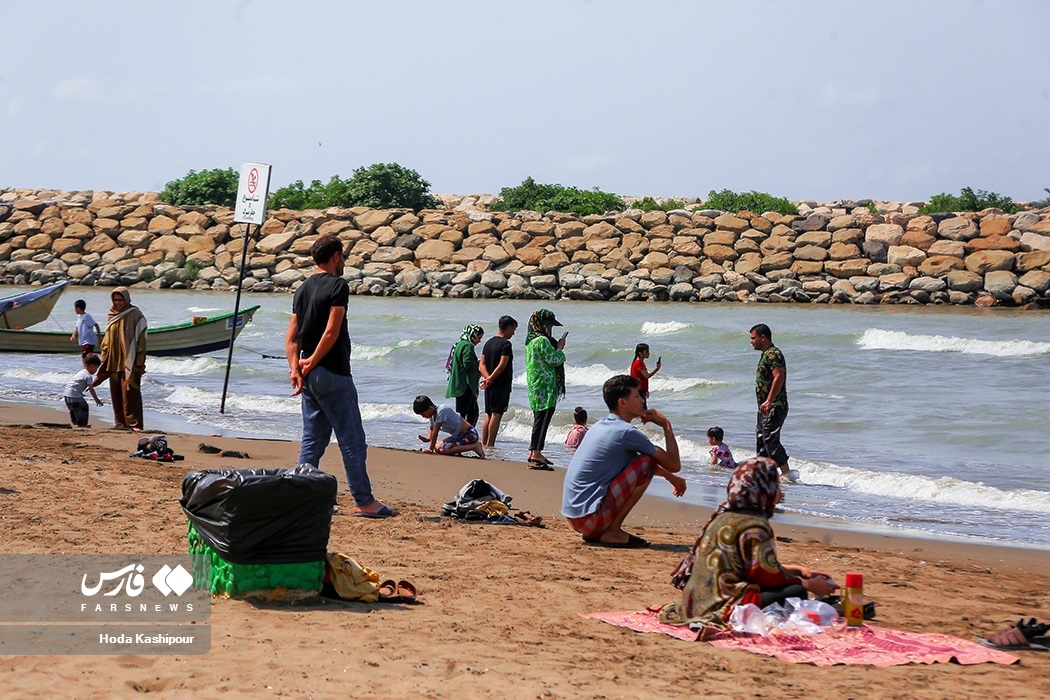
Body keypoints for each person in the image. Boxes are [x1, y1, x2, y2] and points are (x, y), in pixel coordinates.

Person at [285, 235, 395, 519]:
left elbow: (292, 336)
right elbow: (331, 332)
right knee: (352, 440)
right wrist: (310, 364)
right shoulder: (338, 285)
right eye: (343, 256)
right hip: (332, 372)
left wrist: (297, 368)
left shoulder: (302, 288)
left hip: (311, 376)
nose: (344, 261)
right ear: (335, 256)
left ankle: (302, 496)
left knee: (314, 438)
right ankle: (364, 501)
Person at [659, 457, 838, 629]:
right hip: (720, 604)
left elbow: (754, 568)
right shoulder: (755, 525)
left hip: (693, 602)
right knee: (796, 593)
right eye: (776, 487)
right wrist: (808, 585)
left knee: (791, 587)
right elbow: (764, 575)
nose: (780, 493)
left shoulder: (722, 515)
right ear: (763, 489)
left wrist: (800, 571)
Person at [561, 375, 686, 548]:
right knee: (647, 462)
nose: (642, 400)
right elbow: (674, 464)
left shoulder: (600, 425)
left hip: (575, 517)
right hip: (590, 519)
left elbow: (632, 462)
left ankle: (606, 530)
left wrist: (670, 478)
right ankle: (612, 531)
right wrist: (666, 425)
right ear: (623, 403)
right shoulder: (627, 432)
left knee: (640, 461)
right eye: (636, 396)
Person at [92, 287, 147, 431]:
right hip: (113, 360)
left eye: (120, 300)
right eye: (115, 300)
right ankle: (120, 423)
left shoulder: (135, 314)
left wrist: (140, 357)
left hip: (130, 359)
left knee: (130, 392)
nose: (118, 303)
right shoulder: (112, 314)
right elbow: (107, 338)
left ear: (126, 299)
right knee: (116, 393)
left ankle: (134, 424)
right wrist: (104, 354)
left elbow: (142, 336)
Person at [750, 323, 798, 482]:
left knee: (770, 439)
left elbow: (779, 376)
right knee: (762, 439)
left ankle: (787, 474)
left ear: (763, 337)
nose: (751, 341)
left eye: (753, 338)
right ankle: (763, 475)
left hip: (775, 405)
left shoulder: (773, 354)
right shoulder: (766, 354)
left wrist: (769, 400)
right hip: (764, 407)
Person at [524, 308, 567, 468]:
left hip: (536, 384)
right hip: (545, 385)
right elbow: (554, 359)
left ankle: (534, 451)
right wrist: (560, 348)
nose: (550, 328)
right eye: (549, 325)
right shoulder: (541, 341)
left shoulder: (530, 340)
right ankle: (536, 452)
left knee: (539, 418)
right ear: (542, 324)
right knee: (543, 419)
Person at [479, 315, 517, 448]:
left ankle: (484, 444)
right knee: (496, 414)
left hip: (489, 384)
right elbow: (502, 365)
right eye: (513, 329)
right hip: (500, 384)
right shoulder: (506, 344)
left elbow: (481, 364)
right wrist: (491, 378)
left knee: (488, 414)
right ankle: (490, 444)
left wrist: (487, 377)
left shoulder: (488, 342)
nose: (514, 332)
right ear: (508, 328)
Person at [412, 395, 485, 458]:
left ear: (430, 408)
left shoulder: (442, 410)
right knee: (437, 448)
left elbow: (436, 431)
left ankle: (475, 446)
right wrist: (428, 438)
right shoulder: (431, 415)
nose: (423, 416)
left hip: (469, 434)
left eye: (423, 414)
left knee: (444, 450)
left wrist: (430, 449)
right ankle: (456, 451)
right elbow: (432, 429)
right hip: (458, 436)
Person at [446, 324, 484, 427]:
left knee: (463, 412)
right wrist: (480, 363)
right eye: (479, 338)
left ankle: (462, 434)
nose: (479, 341)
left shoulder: (459, 344)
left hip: (459, 384)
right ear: (473, 335)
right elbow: (467, 364)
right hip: (465, 385)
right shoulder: (468, 346)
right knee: (471, 413)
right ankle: (465, 434)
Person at [64, 353, 103, 427]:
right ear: (92, 366)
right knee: (84, 407)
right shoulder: (88, 376)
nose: (96, 370)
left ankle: (75, 420)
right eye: (96, 368)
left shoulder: (81, 372)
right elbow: (91, 389)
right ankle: (82, 424)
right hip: (74, 396)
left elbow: (75, 384)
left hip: (67, 395)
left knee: (75, 408)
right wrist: (97, 400)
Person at [629, 343, 661, 407]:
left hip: (639, 390)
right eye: (647, 351)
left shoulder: (639, 362)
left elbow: (643, 378)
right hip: (639, 390)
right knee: (643, 412)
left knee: (641, 412)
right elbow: (647, 376)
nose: (648, 353)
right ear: (640, 353)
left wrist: (646, 390)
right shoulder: (639, 363)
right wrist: (657, 369)